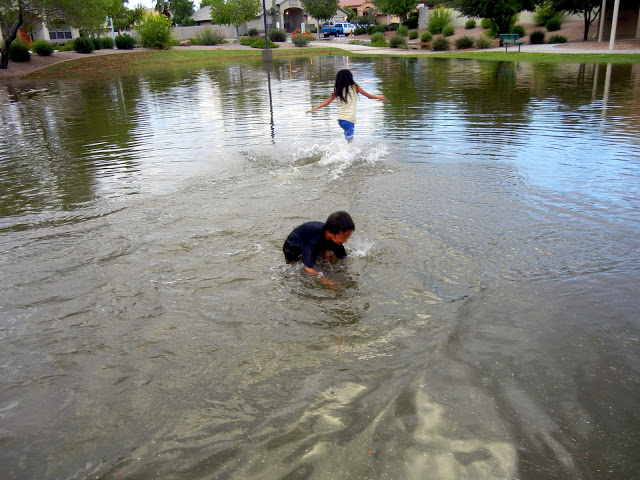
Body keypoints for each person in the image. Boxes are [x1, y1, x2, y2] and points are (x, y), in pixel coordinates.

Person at [306, 69, 387, 142]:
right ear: (350, 77)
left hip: (341, 119)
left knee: (348, 141)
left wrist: (313, 109)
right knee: (349, 143)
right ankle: (346, 156)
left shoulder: (339, 90)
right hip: (349, 120)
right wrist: (379, 97)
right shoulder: (355, 87)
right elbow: (369, 96)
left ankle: (345, 154)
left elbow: (327, 102)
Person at [283, 211, 355, 280]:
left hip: (317, 240)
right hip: (293, 247)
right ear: (330, 233)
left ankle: (321, 253)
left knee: (329, 258)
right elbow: (308, 269)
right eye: (343, 237)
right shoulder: (312, 240)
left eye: (347, 237)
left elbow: (343, 258)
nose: (345, 240)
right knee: (305, 264)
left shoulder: (334, 236)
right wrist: (328, 282)